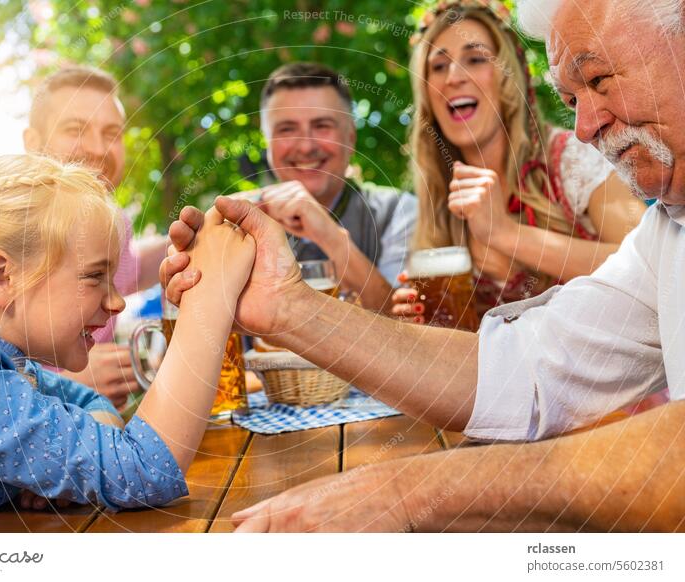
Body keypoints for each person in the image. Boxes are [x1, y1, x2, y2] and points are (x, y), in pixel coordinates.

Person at [160, 0, 685, 531]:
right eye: (570, 98)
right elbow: (528, 368)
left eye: (598, 79)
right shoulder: (669, 226)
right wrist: (286, 308)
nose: (585, 129)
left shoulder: (569, 168)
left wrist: (408, 491)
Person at [0, 154, 254, 532]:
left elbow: (87, 401)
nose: (117, 302)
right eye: (95, 276)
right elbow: (144, 470)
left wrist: (60, 464)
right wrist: (210, 296)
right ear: (1, 277)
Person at [392, 0, 646, 323]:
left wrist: (505, 233)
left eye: (475, 58)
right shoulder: (437, 196)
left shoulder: (570, 157)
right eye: (438, 66)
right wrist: (426, 323)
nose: (454, 76)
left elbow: (649, 266)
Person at [23, 66, 167, 407]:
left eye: (111, 133)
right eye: (76, 129)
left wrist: (206, 229)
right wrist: (65, 383)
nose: (98, 148)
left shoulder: (111, 225)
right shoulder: (10, 230)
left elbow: (133, 268)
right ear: (32, 143)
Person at [254, 62, 417, 311]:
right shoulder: (243, 221)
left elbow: (403, 325)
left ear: (350, 138)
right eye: (287, 129)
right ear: (268, 143)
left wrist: (327, 234)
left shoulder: (399, 211)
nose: (306, 146)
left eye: (322, 126)